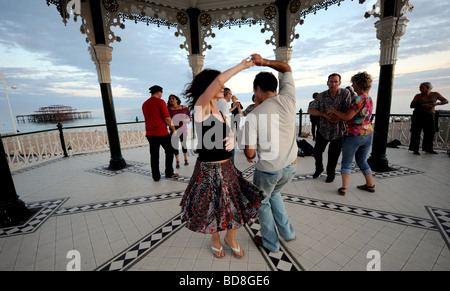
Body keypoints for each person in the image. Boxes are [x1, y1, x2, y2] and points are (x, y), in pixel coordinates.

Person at [180, 57, 265, 259]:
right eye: (219, 83)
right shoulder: (201, 107)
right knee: (212, 207)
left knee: (236, 204)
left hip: (227, 166)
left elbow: (224, 130)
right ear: (209, 85)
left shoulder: (218, 108)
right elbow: (218, 82)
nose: (224, 87)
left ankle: (230, 237)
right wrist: (242, 66)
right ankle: (215, 239)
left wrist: (232, 137)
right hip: (207, 170)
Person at [243, 54, 297, 253]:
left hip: (268, 170)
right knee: (275, 194)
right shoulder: (288, 98)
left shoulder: (253, 115)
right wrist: (263, 62)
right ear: (276, 86)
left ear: (257, 89)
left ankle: (271, 243)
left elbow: (249, 152)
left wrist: (251, 151)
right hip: (290, 166)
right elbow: (286, 67)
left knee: (262, 203)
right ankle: (288, 233)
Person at [328, 72, 375, 195]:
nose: (352, 86)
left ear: (359, 84)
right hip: (368, 132)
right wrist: (340, 118)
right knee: (361, 159)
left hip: (354, 134)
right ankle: (370, 184)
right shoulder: (369, 98)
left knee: (347, 161)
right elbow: (359, 116)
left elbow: (348, 116)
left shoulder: (358, 99)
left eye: (354, 83)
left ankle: (344, 188)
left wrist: (334, 111)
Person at [308, 73, 351, 183]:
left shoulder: (345, 93)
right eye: (331, 81)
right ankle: (319, 168)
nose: (333, 84)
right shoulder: (321, 96)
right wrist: (323, 114)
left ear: (339, 83)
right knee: (317, 152)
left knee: (333, 155)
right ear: (327, 83)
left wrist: (338, 117)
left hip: (338, 130)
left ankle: (330, 174)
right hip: (323, 129)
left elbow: (348, 111)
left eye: (336, 82)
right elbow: (310, 110)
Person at [142, 85, 179, 181]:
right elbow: (167, 118)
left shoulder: (144, 104)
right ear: (159, 92)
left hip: (150, 134)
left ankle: (156, 177)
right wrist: (174, 129)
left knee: (154, 156)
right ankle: (169, 173)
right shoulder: (160, 102)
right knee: (170, 151)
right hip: (161, 133)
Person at [408, 82, 448, 155]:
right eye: (419, 87)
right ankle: (415, 149)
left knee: (430, 133)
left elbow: (446, 101)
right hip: (418, 116)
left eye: (422, 87)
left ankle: (428, 149)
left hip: (430, 116)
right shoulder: (417, 96)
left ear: (428, 88)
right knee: (416, 133)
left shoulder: (435, 94)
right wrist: (422, 105)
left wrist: (436, 104)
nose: (420, 89)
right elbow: (412, 105)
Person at [168, 94, 191, 168]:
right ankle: (177, 161)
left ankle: (185, 159)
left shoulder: (183, 107)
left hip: (183, 129)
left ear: (177, 100)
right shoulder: (168, 109)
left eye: (173, 98)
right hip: (173, 129)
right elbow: (167, 118)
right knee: (175, 146)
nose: (171, 100)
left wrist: (186, 120)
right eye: (170, 99)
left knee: (184, 144)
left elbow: (189, 118)